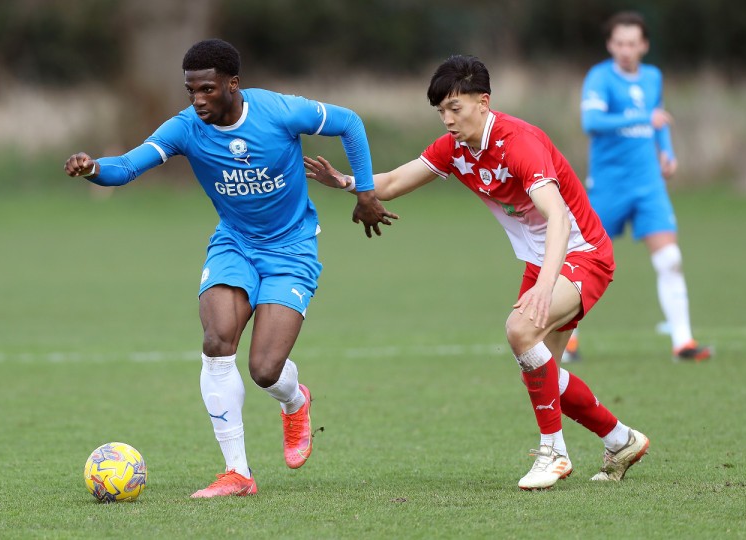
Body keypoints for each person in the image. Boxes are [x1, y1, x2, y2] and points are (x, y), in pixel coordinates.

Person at [64, 39, 396, 498]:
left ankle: (296, 400)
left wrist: (364, 193)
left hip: (292, 249)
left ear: (232, 84)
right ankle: (237, 473)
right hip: (234, 244)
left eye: (207, 89)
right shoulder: (185, 128)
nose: (198, 100)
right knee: (217, 340)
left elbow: (350, 123)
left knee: (264, 369)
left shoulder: (279, 111)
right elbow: (126, 168)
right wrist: (93, 168)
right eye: (190, 91)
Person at [305, 55, 649, 490]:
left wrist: (544, 288)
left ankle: (554, 454)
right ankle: (621, 440)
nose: (447, 120)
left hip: (582, 255)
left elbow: (558, 218)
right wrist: (347, 182)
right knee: (546, 374)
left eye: (455, 108)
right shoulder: (455, 149)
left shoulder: (519, 143)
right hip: (542, 262)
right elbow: (390, 183)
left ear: (483, 102)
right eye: (441, 111)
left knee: (520, 333)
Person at [569, 11, 712, 362]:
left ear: (644, 45)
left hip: (648, 184)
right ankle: (567, 341)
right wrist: (641, 117)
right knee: (580, 261)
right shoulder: (600, 77)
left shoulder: (653, 77)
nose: (625, 50)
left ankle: (683, 343)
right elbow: (592, 121)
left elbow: (658, 117)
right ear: (610, 44)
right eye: (619, 43)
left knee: (670, 259)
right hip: (608, 185)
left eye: (632, 43)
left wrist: (667, 152)